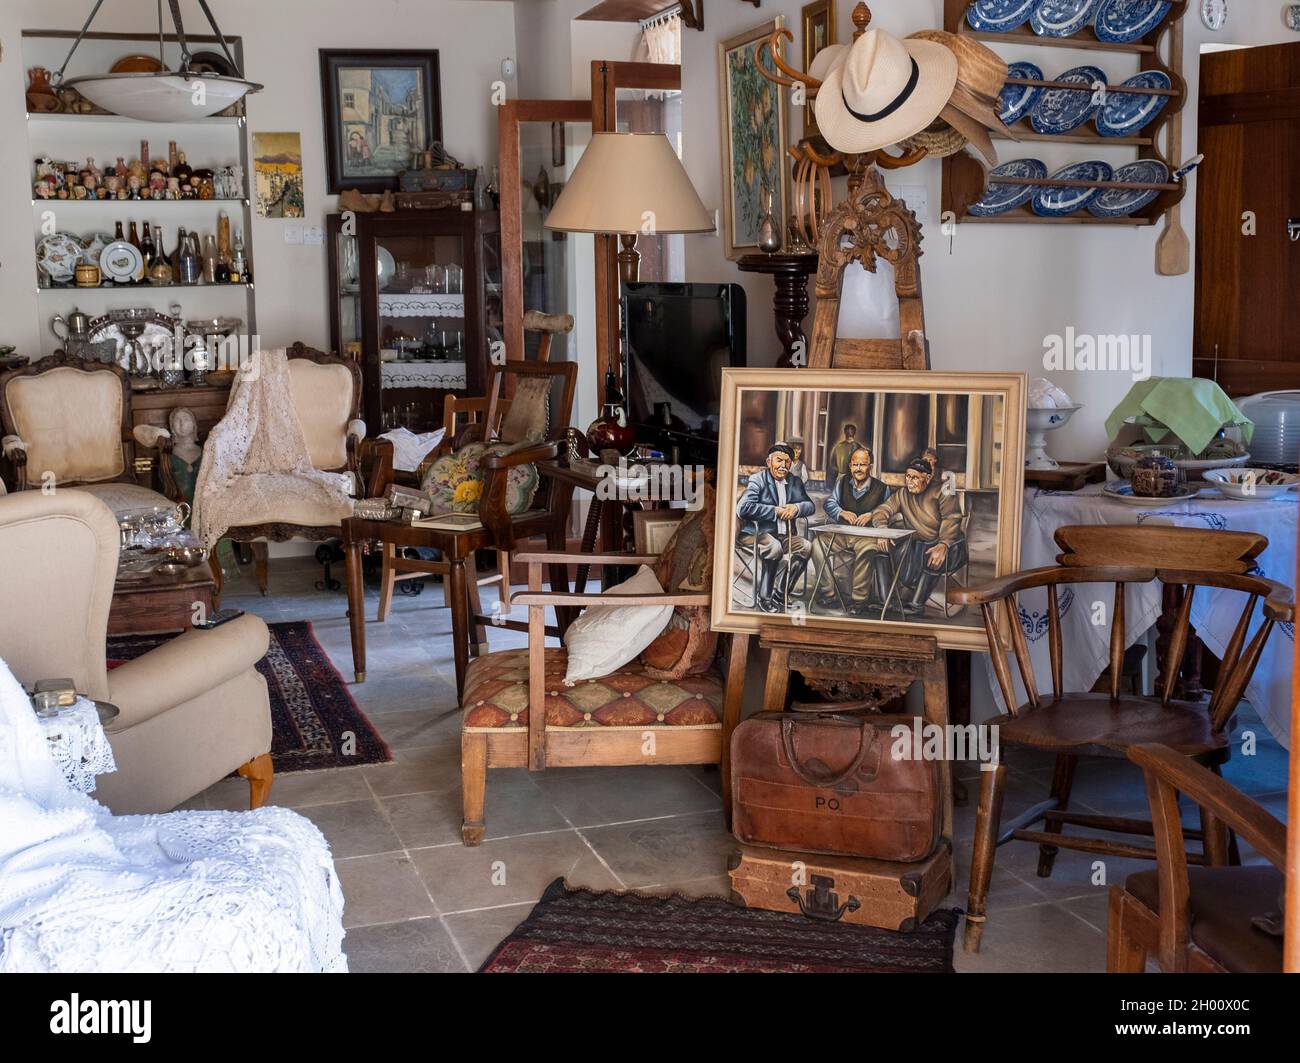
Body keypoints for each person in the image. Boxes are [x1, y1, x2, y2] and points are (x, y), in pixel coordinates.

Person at [867, 457, 966, 616]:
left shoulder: (943, 491)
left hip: (948, 544)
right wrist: (882, 531)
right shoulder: (902, 494)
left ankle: (916, 606)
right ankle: (886, 602)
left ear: (927, 478)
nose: (909, 481)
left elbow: (952, 519)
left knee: (934, 557)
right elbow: (882, 510)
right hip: (915, 545)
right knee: (881, 550)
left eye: (914, 477)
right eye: (907, 476)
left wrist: (944, 544)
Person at [810, 446, 891, 612]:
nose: (858, 469)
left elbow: (889, 512)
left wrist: (872, 515)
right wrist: (841, 512)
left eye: (863, 464)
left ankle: (859, 601)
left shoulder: (882, 488)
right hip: (843, 533)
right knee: (817, 545)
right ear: (850, 466)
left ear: (870, 466)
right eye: (855, 465)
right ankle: (828, 593)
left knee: (868, 550)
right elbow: (829, 503)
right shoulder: (842, 483)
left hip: (868, 536)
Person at [736, 442, 814, 613]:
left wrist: (797, 508)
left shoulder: (795, 482)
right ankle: (765, 598)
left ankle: (781, 593)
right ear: (768, 462)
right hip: (756, 533)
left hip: (783, 535)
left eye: (787, 462)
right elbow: (743, 508)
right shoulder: (758, 480)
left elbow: (810, 506)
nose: (783, 465)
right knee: (774, 547)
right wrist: (775, 511)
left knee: (806, 547)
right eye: (779, 460)